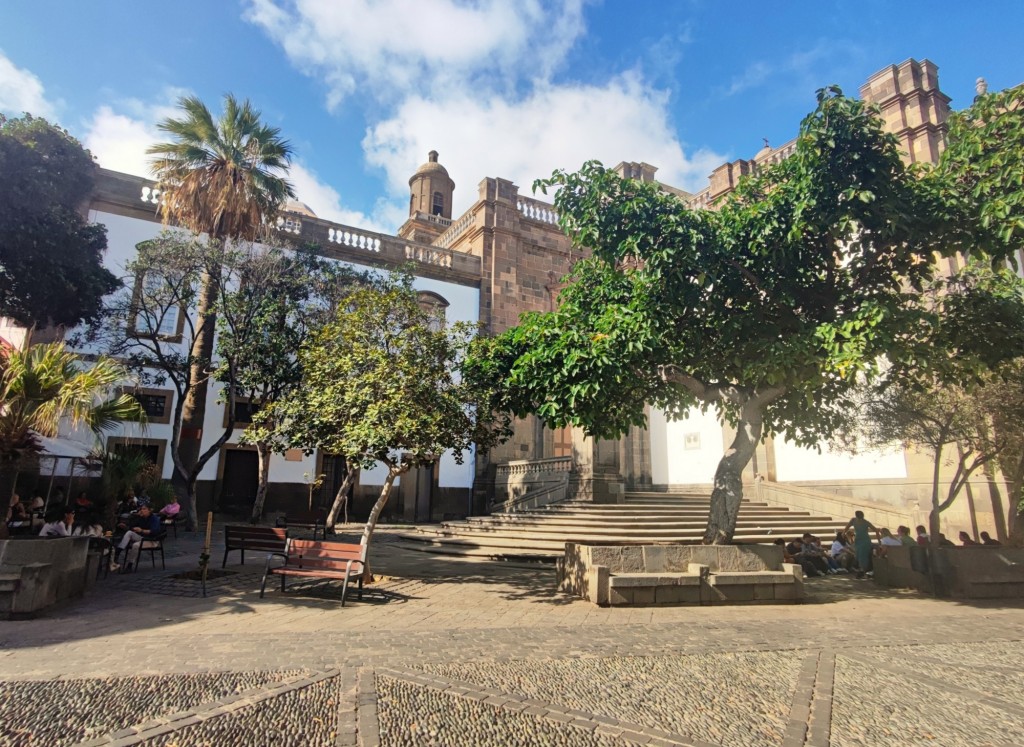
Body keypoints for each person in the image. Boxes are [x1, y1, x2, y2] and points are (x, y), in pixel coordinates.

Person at [113, 505, 161, 571]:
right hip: (142, 537)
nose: (142, 510)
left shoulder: (154, 519)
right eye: (141, 509)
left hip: (152, 540)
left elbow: (154, 531)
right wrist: (126, 527)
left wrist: (141, 530)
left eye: (144, 509)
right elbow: (132, 527)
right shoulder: (141, 518)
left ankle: (129, 566)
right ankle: (118, 552)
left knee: (135, 545)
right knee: (129, 533)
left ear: (149, 510)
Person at [845, 510, 878, 578]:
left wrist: (879, 540)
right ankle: (862, 570)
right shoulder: (853, 520)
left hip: (865, 540)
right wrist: (843, 533)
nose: (860, 519)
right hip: (858, 540)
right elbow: (847, 527)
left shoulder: (866, 522)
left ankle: (862, 570)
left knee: (863, 555)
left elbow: (875, 530)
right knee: (858, 554)